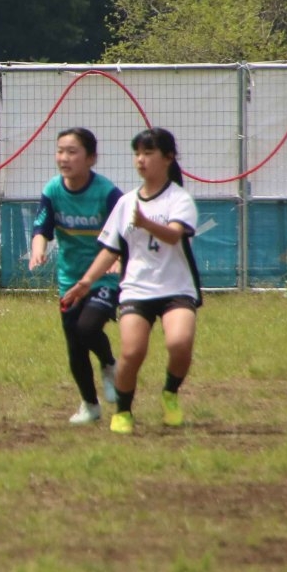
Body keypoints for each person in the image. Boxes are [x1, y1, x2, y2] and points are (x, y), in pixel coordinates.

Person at [60, 127, 201, 435]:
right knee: (132, 353)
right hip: (137, 288)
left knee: (179, 343)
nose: (140, 160)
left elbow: (174, 235)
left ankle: (170, 393)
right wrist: (86, 282)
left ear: (168, 158)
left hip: (176, 288)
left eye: (148, 153)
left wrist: (147, 222)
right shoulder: (126, 203)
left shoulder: (179, 199)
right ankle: (123, 411)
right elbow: (110, 250)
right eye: (137, 153)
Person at [29, 128, 123, 424]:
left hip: (103, 278)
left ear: (91, 158)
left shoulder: (107, 193)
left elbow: (125, 233)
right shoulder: (53, 190)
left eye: (72, 152)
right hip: (69, 279)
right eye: (60, 151)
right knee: (75, 345)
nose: (64, 158)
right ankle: (89, 406)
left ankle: (109, 365)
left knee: (88, 328)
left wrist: (119, 258)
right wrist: (38, 250)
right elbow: (41, 229)